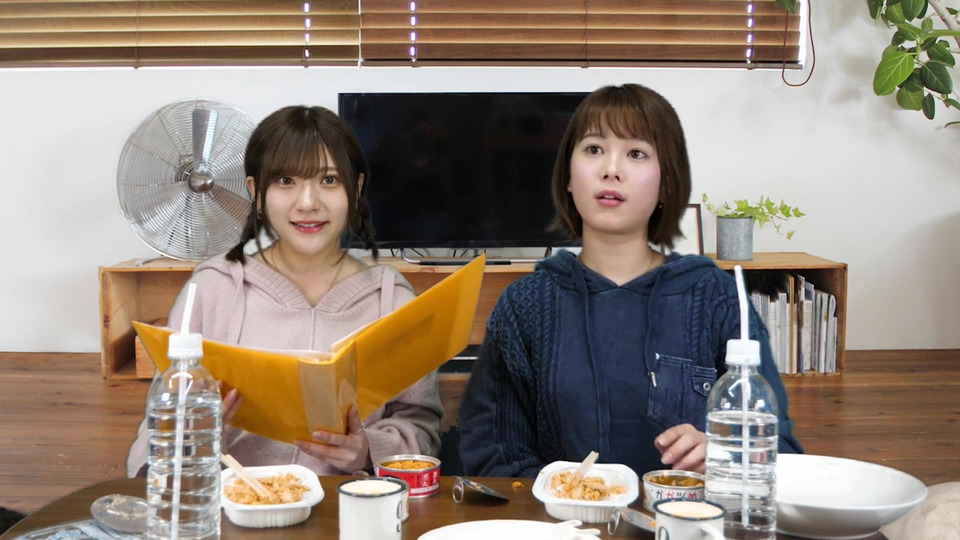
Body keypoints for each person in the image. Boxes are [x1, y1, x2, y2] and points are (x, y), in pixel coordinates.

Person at [458, 84, 802, 478]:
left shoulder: (716, 298)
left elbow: (781, 448)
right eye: (593, 149)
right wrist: (567, 496)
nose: (611, 169)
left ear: (666, 183)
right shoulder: (525, 305)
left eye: (636, 153)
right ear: (568, 177)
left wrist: (724, 454)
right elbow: (493, 454)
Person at [127, 105, 442, 477]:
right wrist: (194, 439)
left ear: (356, 189)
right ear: (256, 192)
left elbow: (422, 429)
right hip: (229, 506)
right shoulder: (209, 290)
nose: (308, 203)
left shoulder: (393, 300)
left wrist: (368, 451)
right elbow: (155, 434)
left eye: (329, 180)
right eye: (286, 181)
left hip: (348, 507)